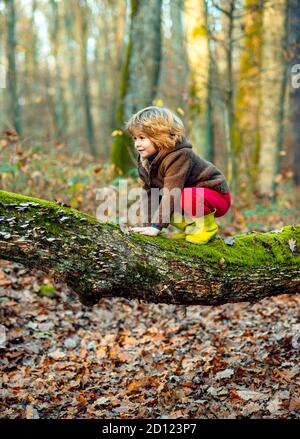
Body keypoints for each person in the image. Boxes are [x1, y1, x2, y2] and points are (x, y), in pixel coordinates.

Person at [126, 106, 231, 245]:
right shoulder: (145, 162)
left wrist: (157, 226)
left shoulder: (179, 155)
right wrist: (150, 226)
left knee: (176, 197)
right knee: (163, 199)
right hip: (188, 198)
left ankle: (207, 228)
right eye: (135, 138)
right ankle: (190, 228)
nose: (137, 144)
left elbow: (172, 192)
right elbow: (150, 194)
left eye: (142, 138)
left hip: (216, 197)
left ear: (159, 136)